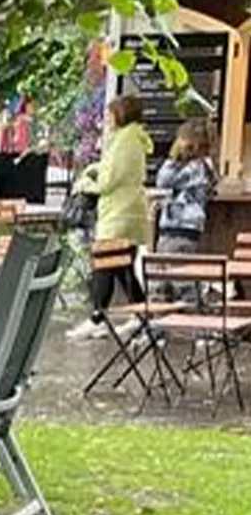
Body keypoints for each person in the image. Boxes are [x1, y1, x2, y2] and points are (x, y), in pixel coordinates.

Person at [67, 95, 154, 340]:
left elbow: (108, 181)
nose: (106, 119)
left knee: (104, 265)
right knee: (122, 268)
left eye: (110, 114)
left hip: (117, 214)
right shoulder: (134, 139)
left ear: (122, 114)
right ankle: (142, 317)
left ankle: (98, 318)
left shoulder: (124, 141)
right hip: (129, 213)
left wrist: (85, 182)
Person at [153, 118, 217, 301]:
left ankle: (190, 317)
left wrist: (172, 158)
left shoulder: (197, 167)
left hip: (181, 228)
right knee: (164, 277)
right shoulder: (201, 166)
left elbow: (164, 180)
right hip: (177, 228)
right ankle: (161, 323)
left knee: (176, 278)